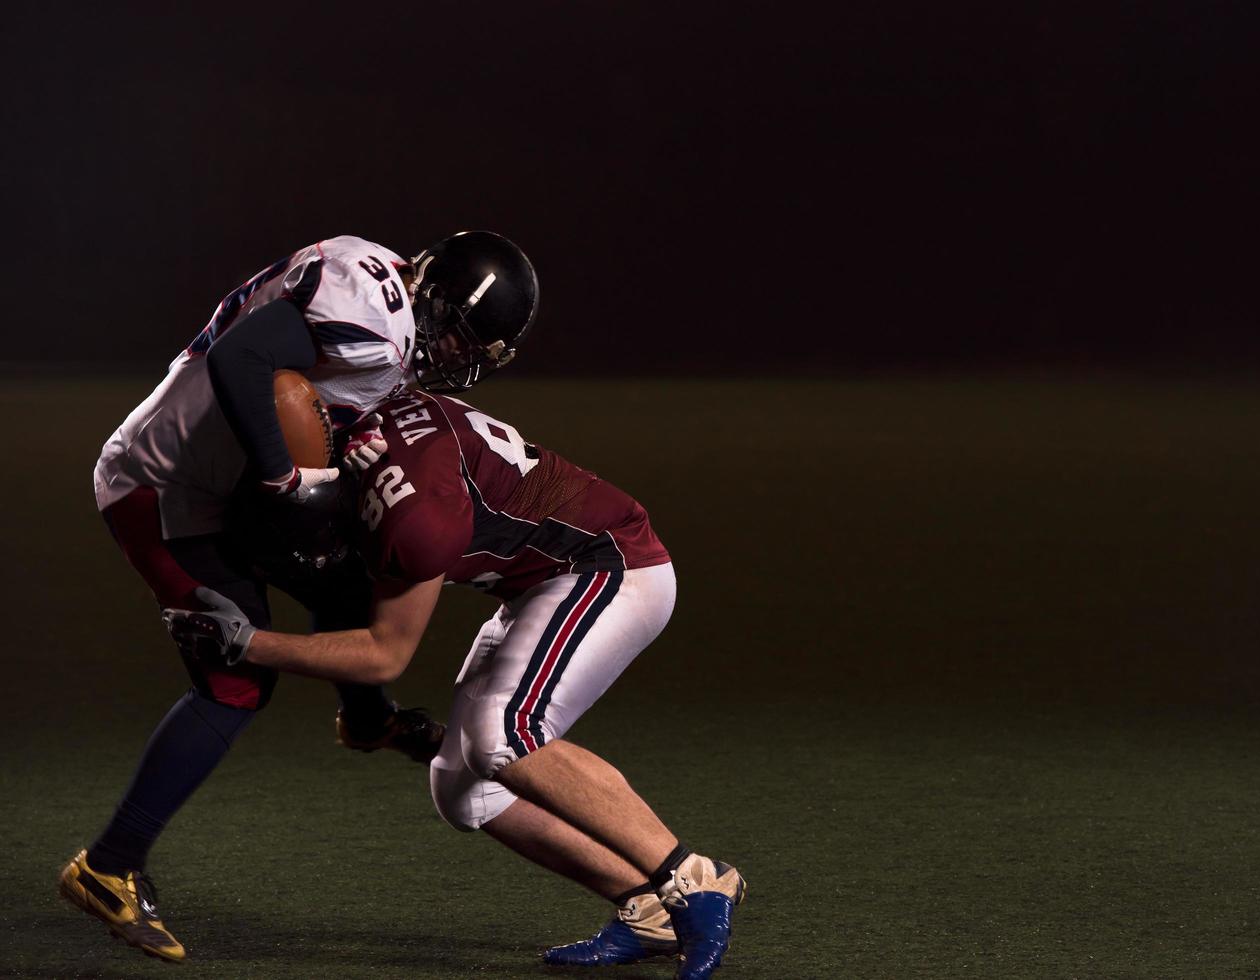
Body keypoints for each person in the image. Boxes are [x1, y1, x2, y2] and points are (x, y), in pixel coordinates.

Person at [60, 231, 540, 962]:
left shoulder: (372, 271)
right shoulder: (376, 323)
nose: (458, 358)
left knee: (346, 569)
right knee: (236, 680)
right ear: (435, 303)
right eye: (461, 338)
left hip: (220, 480)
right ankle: (108, 865)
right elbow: (241, 357)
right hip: (165, 493)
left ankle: (367, 719)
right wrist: (287, 478)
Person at [165, 388, 748, 980]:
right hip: (541, 582)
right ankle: (646, 906)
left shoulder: (410, 511)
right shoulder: (363, 426)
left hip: (609, 568)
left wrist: (248, 644)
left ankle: (694, 876)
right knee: (464, 790)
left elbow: (383, 652)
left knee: (506, 734)